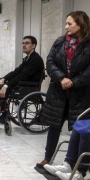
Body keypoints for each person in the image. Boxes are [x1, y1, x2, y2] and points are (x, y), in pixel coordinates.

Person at [37, 11, 90, 167]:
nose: (66, 27)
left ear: (80, 24)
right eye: (66, 23)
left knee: (79, 130)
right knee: (54, 127)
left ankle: (74, 164)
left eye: (70, 23)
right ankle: (47, 158)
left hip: (80, 95)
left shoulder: (88, 44)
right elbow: (50, 63)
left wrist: (73, 82)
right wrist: (62, 78)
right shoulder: (60, 42)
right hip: (58, 93)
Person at [0, 36, 44, 123]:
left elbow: (23, 75)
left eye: (27, 43)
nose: (24, 45)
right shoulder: (27, 58)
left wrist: (6, 85)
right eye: (23, 43)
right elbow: (16, 71)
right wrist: (4, 78)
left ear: (33, 45)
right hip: (22, 84)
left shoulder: (36, 59)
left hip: (28, 87)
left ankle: (3, 115)